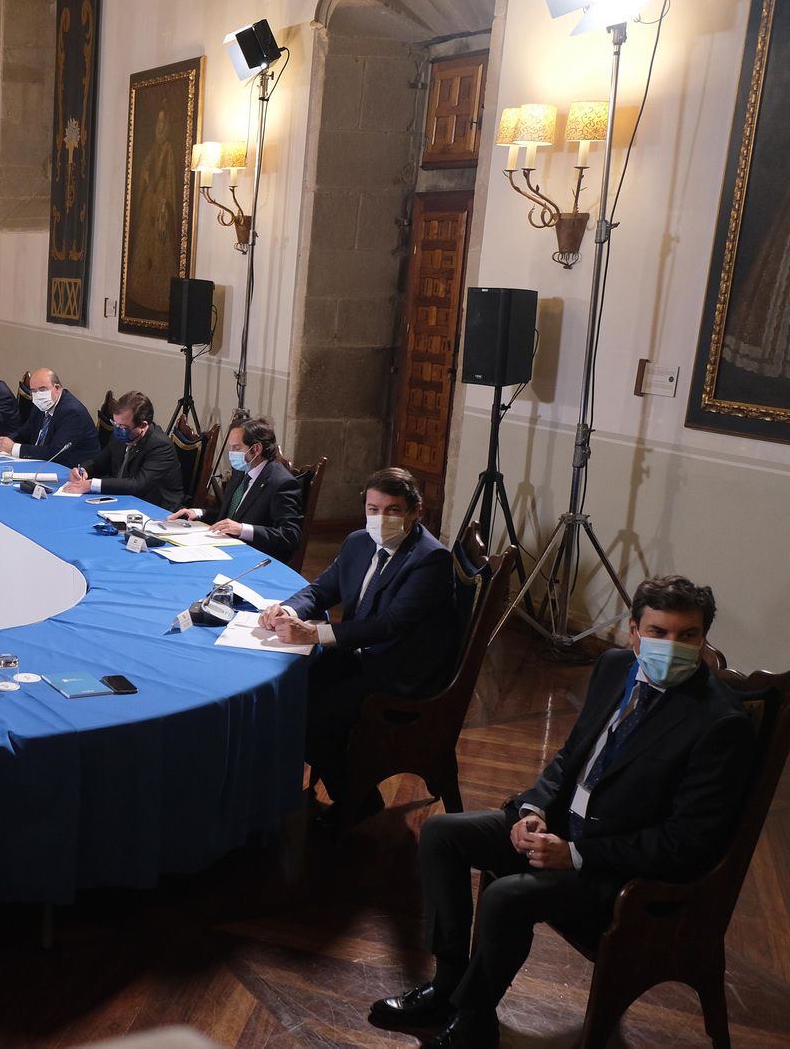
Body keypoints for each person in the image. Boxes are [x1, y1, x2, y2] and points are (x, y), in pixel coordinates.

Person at [371, 576, 752, 1049]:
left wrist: (575, 854)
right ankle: (447, 985)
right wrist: (533, 808)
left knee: (506, 898)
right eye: (658, 632)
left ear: (704, 638)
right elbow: (572, 757)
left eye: (687, 635)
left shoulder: (720, 722)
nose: (671, 646)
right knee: (442, 834)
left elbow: (685, 845)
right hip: (561, 827)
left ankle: (474, 1018)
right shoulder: (615, 666)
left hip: (619, 871)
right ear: (634, 632)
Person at [258, 467, 455, 818]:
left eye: (393, 510)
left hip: (398, 668)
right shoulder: (358, 542)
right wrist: (287, 609)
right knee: (286, 692)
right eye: (373, 509)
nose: (381, 519)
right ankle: (283, 787)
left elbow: (389, 625)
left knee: (311, 716)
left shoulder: (430, 559)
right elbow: (321, 590)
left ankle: (359, 801)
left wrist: (314, 634)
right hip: (360, 654)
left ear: (416, 511)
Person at [168, 417, 304, 564]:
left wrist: (242, 529)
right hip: (224, 547)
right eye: (231, 447)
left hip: (254, 558)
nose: (231, 453)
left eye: (237, 448)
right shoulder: (240, 472)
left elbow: (290, 535)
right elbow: (229, 516)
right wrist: (199, 513)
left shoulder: (281, 483)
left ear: (256, 449)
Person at [65, 390, 184, 510]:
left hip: (154, 508)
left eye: (123, 427)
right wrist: (83, 470)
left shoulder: (160, 446)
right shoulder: (119, 436)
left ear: (143, 425)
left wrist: (92, 484)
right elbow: (99, 463)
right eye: (115, 424)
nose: (118, 430)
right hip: (122, 499)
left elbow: (138, 485)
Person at [0, 368, 100, 468]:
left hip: (71, 470)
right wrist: (6, 441)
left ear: (57, 388)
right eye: (34, 391)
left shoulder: (72, 412)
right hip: (42, 463)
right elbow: (26, 431)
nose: (38, 395)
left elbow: (54, 452)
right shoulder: (41, 404)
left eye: (42, 389)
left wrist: (14, 448)